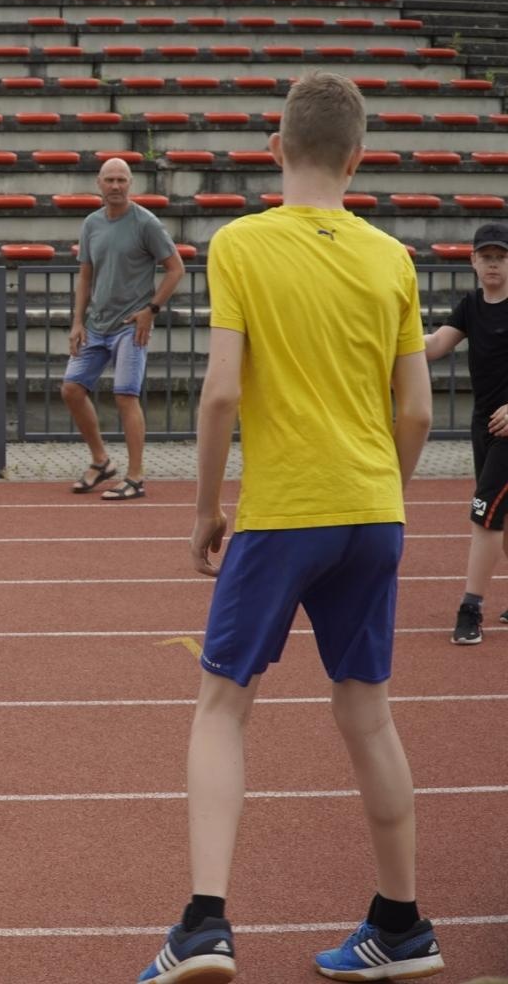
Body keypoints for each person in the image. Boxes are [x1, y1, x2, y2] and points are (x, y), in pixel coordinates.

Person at [138, 73, 440, 982]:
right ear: (357, 158)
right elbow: (418, 410)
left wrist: (202, 509)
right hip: (373, 506)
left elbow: (223, 390)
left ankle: (204, 922)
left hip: (285, 510)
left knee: (223, 706)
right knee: (369, 715)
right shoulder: (393, 258)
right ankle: (402, 923)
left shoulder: (242, 243)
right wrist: (384, 490)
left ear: (276, 149)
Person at [62, 156, 185, 501]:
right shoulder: (91, 224)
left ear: (131, 184)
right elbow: (86, 274)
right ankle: (101, 461)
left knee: (125, 395)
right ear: (98, 184)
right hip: (97, 325)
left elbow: (176, 269)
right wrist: (77, 322)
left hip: (131, 326)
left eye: (122, 180)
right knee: (71, 389)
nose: (115, 186)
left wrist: (151, 310)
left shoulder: (146, 223)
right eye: (110, 180)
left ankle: (135, 476)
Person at [422, 222, 508, 645]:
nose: (494, 264)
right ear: (473, 261)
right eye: (486, 257)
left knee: (485, 514)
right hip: (483, 424)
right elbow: (436, 345)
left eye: (502, 257)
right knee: (502, 517)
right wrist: (382, 340)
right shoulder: (471, 305)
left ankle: (470, 607)